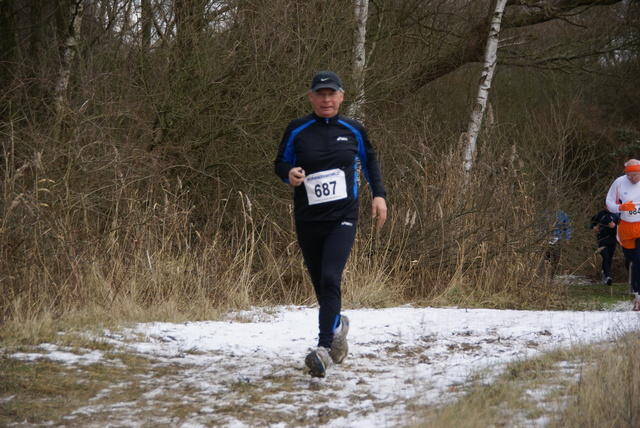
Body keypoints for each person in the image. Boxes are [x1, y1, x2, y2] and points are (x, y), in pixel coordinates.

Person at [273, 71, 387, 377]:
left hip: (343, 217)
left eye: (331, 94)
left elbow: (371, 162)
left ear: (341, 96)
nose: (326, 100)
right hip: (308, 219)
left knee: (330, 277)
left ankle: (323, 349)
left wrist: (379, 196)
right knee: (321, 287)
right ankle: (337, 324)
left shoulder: (353, 129)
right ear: (311, 97)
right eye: (320, 94)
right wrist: (289, 174)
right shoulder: (297, 129)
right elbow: (279, 163)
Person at [606, 158, 640, 311]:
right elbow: (609, 204)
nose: (633, 179)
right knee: (631, 262)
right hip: (626, 228)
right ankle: (637, 296)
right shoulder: (619, 182)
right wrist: (622, 207)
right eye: (630, 176)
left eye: (636, 175)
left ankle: (639, 299)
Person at [590, 207, 619, 285]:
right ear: (604, 205)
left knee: (609, 258)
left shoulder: (616, 215)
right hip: (602, 239)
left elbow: (621, 228)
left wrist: (614, 226)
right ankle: (607, 276)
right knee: (605, 257)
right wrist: (593, 227)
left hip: (612, 240)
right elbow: (592, 222)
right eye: (607, 205)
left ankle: (605, 272)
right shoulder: (600, 214)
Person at [544, 210, 572, 275]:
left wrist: (567, 238)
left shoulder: (562, 215)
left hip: (557, 240)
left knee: (556, 258)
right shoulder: (545, 214)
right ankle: (545, 275)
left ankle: (553, 275)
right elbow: (539, 226)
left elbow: (567, 227)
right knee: (545, 258)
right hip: (546, 240)